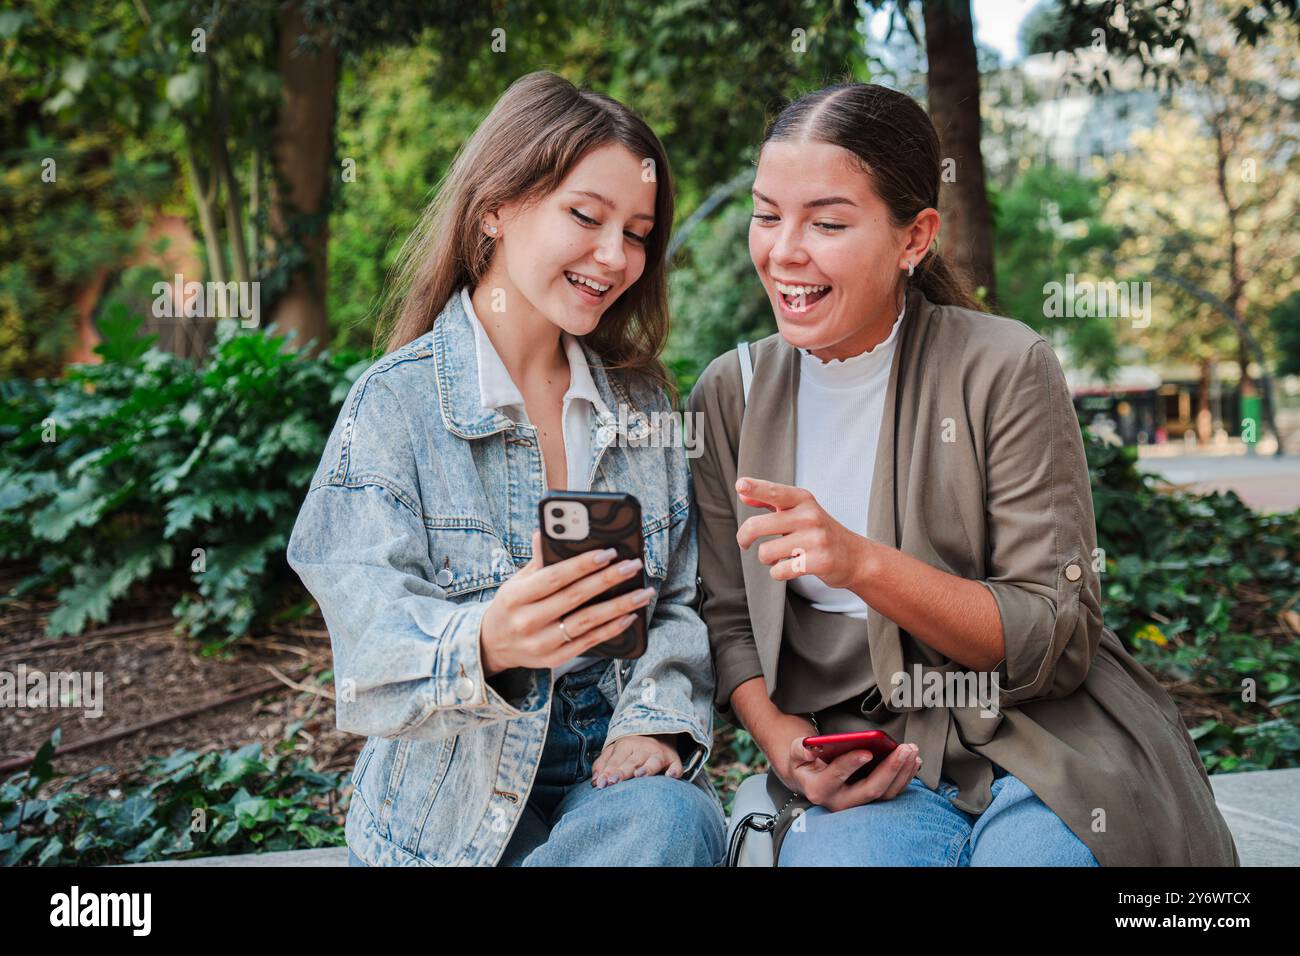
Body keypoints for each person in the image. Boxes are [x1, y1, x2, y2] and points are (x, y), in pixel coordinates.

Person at [686, 82, 1239, 866]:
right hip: (869, 765)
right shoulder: (730, 394)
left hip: (1041, 742)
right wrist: (785, 749)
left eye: (828, 222)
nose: (784, 251)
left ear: (914, 238)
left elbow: (1058, 630)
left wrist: (862, 563)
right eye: (768, 214)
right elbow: (728, 620)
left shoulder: (1006, 368)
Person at [287, 71, 724, 867]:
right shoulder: (395, 405)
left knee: (670, 821)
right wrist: (487, 640)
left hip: (611, 758)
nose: (614, 256)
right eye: (586, 217)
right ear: (495, 207)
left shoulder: (648, 404)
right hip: (452, 792)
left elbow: (685, 600)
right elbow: (369, 659)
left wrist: (655, 719)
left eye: (636, 233)